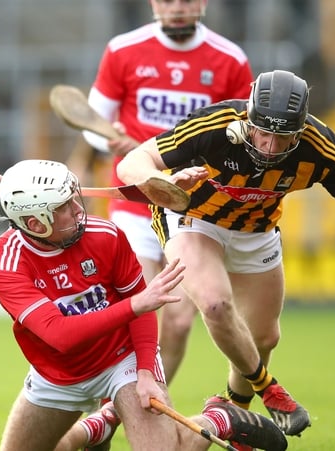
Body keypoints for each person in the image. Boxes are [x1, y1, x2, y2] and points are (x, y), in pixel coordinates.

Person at [117, 69, 335, 441]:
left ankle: (233, 412)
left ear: (299, 133)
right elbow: (132, 162)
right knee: (215, 304)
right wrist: (163, 181)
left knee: (264, 338)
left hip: (257, 232)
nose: (268, 146)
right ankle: (270, 390)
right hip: (194, 219)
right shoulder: (214, 127)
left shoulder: (321, 148)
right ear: (249, 118)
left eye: (281, 138)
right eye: (262, 132)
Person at [0, 159, 287, 451]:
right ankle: (96, 428)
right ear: (36, 224)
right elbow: (60, 335)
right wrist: (135, 305)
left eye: (74, 197)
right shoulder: (6, 264)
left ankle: (221, 418)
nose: (79, 210)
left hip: (122, 359)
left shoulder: (106, 236)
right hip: (57, 373)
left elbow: (142, 312)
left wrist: (145, 371)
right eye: (64, 207)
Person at [82, 0, 254, 385]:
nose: (178, 8)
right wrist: (110, 140)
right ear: (153, 3)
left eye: (188, 0)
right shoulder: (123, 49)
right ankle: (115, 407)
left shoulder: (230, 59)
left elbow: (244, 135)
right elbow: (92, 123)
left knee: (177, 322)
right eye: (168, 0)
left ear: (204, 3)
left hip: (195, 209)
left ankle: (151, 398)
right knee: (138, 310)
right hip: (135, 202)